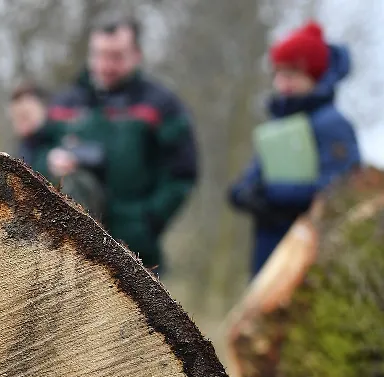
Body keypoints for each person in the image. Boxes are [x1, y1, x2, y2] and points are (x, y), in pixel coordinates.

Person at [38, 14, 198, 271]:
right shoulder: (64, 103)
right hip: (65, 248)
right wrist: (49, 162)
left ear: (137, 55)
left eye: (116, 56)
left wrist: (147, 220)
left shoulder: (161, 105)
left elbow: (182, 174)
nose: (106, 65)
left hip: (134, 249)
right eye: (99, 55)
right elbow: (30, 152)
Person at [230, 22, 359, 276]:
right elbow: (250, 182)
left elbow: (342, 188)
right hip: (269, 249)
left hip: (312, 252)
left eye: (292, 74)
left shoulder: (332, 125)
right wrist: (245, 194)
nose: (282, 83)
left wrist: (274, 195)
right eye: (279, 74)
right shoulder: (278, 125)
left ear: (313, 75)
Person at [8, 80, 50, 164]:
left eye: (26, 115)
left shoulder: (62, 136)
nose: (21, 123)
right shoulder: (20, 150)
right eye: (16, 118)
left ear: (43, 109)